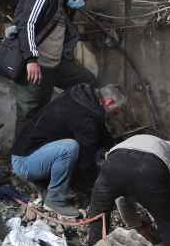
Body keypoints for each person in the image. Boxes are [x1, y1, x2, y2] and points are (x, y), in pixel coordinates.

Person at [11, 83, 124, 218]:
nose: (118, 113)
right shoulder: (86, 118)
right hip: (25, 163)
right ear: (109, 101)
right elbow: (85, 161)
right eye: (117, 109)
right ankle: (55, 199)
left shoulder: (81, 97)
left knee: (78, 148)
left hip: (29, 151)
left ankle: (52, 183)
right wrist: (99, 187)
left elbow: (99, 128)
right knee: (70, 148)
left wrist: (114, 149)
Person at [12, 0, 98, 138]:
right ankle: (18, 159)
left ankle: (71, 130)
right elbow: (27, 24)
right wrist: (30, 59)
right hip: (35, 64)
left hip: (55, 64)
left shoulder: (63, 3)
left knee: (86, 83)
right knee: (29, 113)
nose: (83, 3)